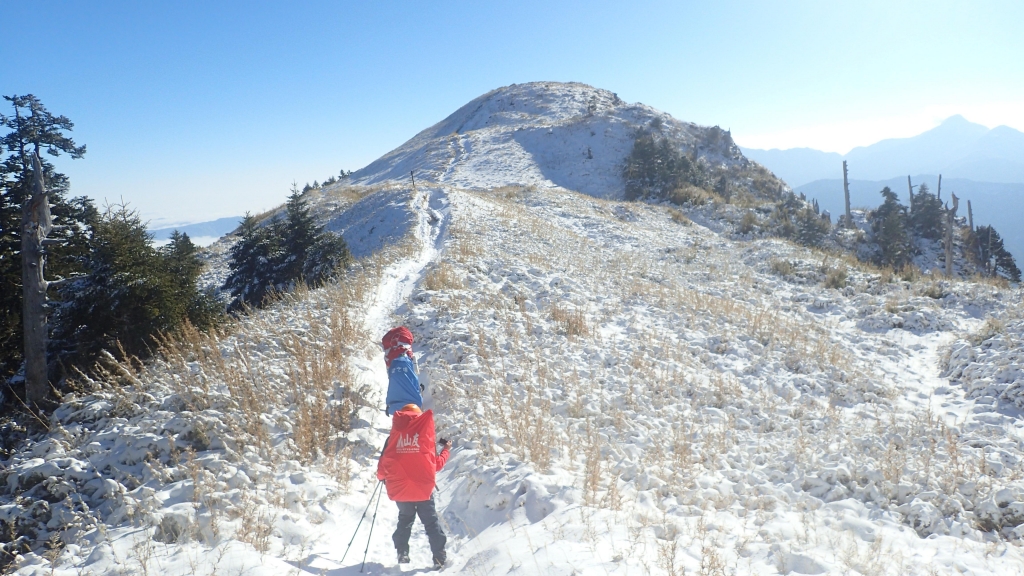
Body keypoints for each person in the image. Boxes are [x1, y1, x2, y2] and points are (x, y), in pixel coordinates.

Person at [376, 403, 452, 568]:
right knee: (431, 523)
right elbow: (436, 465)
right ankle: (439, 559)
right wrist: (446, 450)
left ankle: (402, 553)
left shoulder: (393, 438)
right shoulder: (425, 437)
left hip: (401, 490)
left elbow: (384, 464)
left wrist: (381, 477)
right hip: (423, 490)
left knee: (405, 520)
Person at [382, 326, 422, 415]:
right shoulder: (408, 352)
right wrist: (418, 388)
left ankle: (395, 409)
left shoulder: (389, 353)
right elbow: (415, 373)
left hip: (395, 402)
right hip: (413, 403)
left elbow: (390, 375)